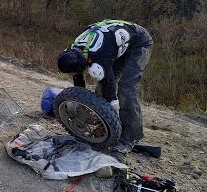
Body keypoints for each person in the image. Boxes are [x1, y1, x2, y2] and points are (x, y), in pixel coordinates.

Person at [56, 19, 153, 160]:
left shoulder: (98, 56)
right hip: (116, 42)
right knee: (105, 84)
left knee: (126, 89)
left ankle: (130, 138)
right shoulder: (76, 50)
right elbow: (79, 81)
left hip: (140, 42)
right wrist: (77, 102)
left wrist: (111, 118)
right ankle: (104, 124)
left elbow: (110, 91)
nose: (72, 75)